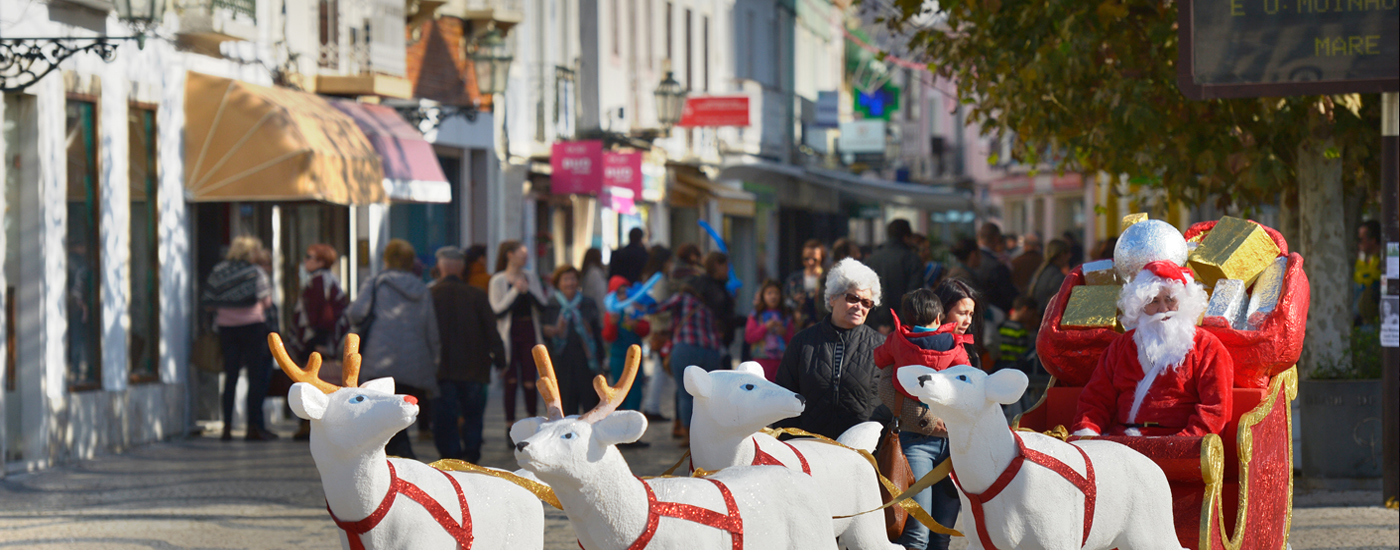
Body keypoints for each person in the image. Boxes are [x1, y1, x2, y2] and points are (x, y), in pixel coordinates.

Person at [1072, 261, 1233, 437]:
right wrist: (1087, 434)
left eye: (1170, 299)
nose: (1163, 309)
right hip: (1123, 442)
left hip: (1179, 443)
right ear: (1140, 306)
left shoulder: (1207, 346)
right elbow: (1096, 400)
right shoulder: (1121, 347)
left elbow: (1215, 410)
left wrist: (1180, 446)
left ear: (1184, 302)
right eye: (1154, 301)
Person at [873, 289, 968, 550]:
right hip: (935, 438)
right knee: (931, 533)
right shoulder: (953, 344)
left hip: (930, 442)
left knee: (922, 532)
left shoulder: (898, 341)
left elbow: (880, 364)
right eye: (963, 312)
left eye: (971, 313)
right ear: (941, 317)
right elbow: (968, 378)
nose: (968, 318)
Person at [347, 239, 441, 458]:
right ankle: (401, 458)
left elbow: (356, 314)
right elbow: (431, 328)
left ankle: (400, 459)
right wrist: (434, 360)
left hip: (379, 360)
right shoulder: (422, 288)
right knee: (402, 413)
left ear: (386, 259)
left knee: (383, 414)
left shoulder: (376, 282)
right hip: (415, 363)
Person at [774, 258, 885, 439]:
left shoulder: (881, 347)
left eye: (867, 302)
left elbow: (887, 406)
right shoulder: (802, 343)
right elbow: (782, 397)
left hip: (860, 453)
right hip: (807, 449)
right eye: (853, 298)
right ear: (833, 297)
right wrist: (789, 443)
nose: (859, 306)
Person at [429, 246, 505, 462]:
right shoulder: (477, 295)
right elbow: (491, 329)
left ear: (439, 267)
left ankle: (450, 458)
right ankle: (471, 457)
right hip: (474, 368)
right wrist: (500, 357)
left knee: (444, 417)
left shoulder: (430, 295)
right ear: (462, 268)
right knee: (473, 416)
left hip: (440, 369)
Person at [203, 236, 277, 442]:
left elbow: (209, 301)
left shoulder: (219, 271)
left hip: (227, 329)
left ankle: (227, 427)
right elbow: (267, 301)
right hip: (253, 328)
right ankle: (252, 426)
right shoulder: (256, 272)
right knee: (255, 378)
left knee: (230, 377)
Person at [658, 264, 728, 446]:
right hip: (711, 352)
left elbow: (660, 308)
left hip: (686, 349)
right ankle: (709, 434)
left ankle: (689, 436)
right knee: (707, 396)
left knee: (685, 394)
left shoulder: (682, 297)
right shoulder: (706, 308)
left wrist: (636, 306)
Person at [289, 243, 349, 440]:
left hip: (316, 341)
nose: (305, 261)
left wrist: (320, 341)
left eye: (309, 257)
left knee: (310, 382)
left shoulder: (319, 281)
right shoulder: (326, 279)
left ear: (321, 261)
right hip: (319, 339)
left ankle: (309, 425)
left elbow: (325, 314)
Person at [489, 240, 549, 427]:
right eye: (521, 253)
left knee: (531, 380)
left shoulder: (531, 277)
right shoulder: (498, 280)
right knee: (511, 380)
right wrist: (515, 290)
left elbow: (542, 305)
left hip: (529, 331)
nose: (525, 257)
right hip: (509, 334)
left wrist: (527, 290)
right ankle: (509, 424)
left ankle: (532, 421)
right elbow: (497, 310)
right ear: (510, 255)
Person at [539, 265, 605, 416]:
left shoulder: (587, 303)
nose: (570, 283)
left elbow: (596, 333)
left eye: (573, 279)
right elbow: (544, 336)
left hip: (586, 363)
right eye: (566, 279)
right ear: (558, 283)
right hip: (561, 363)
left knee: (590, 407)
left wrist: (601, 359)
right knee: (566, 408)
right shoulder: (550, 305)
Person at [865, 219, 926, 333]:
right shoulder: (912, 260)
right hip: (902, 330)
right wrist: (895, 325)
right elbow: (913, 296)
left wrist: (877, 325)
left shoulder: (871, 260)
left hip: (873, 328)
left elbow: (864, 294)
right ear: (906, 237)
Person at [602, 275, 649, 416]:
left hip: (635, 358)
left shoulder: (636, 309)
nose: (623, 296)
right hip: (618, 357)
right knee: (618, 391)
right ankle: (619, 424)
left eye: (625, 292)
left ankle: (633, 425)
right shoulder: (611, 313)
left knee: (635, 392)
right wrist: (612, 324)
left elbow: (646, 329)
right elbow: (608, 336)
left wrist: (637, 325)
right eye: (619, 293)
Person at [639, 246, 676, 422]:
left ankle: (651, 406)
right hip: (661, 329)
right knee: (661, 369)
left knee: (660, 369)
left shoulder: (650, 278)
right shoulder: (660, 280)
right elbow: (660, 307)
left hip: (654, 329)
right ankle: (651, 407)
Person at [995, 296, 1043, 420]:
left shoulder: (1001, 325)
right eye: (1032, 314)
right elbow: (1023, 355)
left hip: (1000, 367)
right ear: (1025, 310)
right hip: (1014, 368)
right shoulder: (1020, 330)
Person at [745, 280, 796, 381]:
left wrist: (784, 333)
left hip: (781, 363)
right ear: (763, 295)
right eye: (769, 293)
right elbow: (749, 337)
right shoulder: (756, 315)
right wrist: (765, 327)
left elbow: (793, 340)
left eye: (776, 293)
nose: (773, 296)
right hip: (760, 362)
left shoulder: (786, 316)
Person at [933, 278, 985, 371]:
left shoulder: (970, 352)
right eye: (962, 313)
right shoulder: (927, 349)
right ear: (942, 312)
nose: (968, 321)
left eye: (971, 314)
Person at [974, 222, 1019, 314]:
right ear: (996, 238)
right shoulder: (997, 266)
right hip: (997, 315)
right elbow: (1008, 294)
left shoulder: (970, 261)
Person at [784, 239, 827, 330]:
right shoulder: (794, 280)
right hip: (799, 327)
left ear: (821, 258)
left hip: (822, 326)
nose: (810, 262)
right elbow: (785, 301)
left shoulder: (828, 279)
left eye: (814, 259)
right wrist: (794, 301)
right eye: (806, 259)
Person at [1028, 238, 1071, 316]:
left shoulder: (1041, 272)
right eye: (1067, 253)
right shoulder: (1057, 277)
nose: (1069, 256)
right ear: (1061, 255)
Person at [1355, 220, 1383, 327]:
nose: (1359, 243)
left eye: (1361, 239)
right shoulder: (1364, 260)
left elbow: (1368, 278)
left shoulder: (1382, 262)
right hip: (1361, 320)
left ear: (1373, 240)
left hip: (1375, 320)